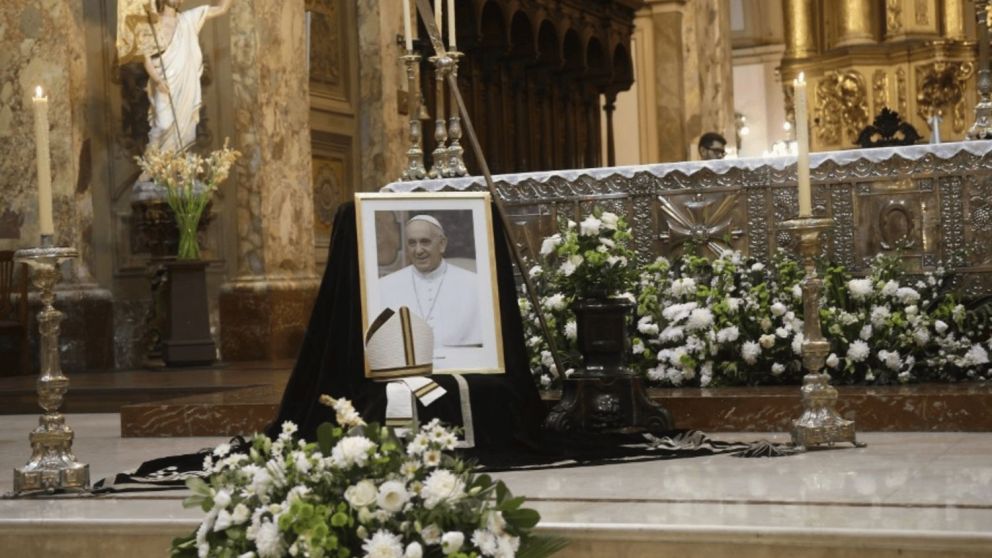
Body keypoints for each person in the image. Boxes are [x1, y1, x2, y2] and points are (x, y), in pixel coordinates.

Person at [141, 0, 234, 154]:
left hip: (187, 83)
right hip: (164, 83)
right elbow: (146, 60)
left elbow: (222, 8)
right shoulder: (152, 24)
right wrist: (158, 81)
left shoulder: (188, 19)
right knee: (163, 124)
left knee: (187, 128)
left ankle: (182, 168)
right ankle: (152, 164)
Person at [379, 215, 483, 350]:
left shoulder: (475, 284)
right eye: (412, 243)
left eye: (425, 242)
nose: (418, 250)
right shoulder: (383, 286)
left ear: (442, 244)